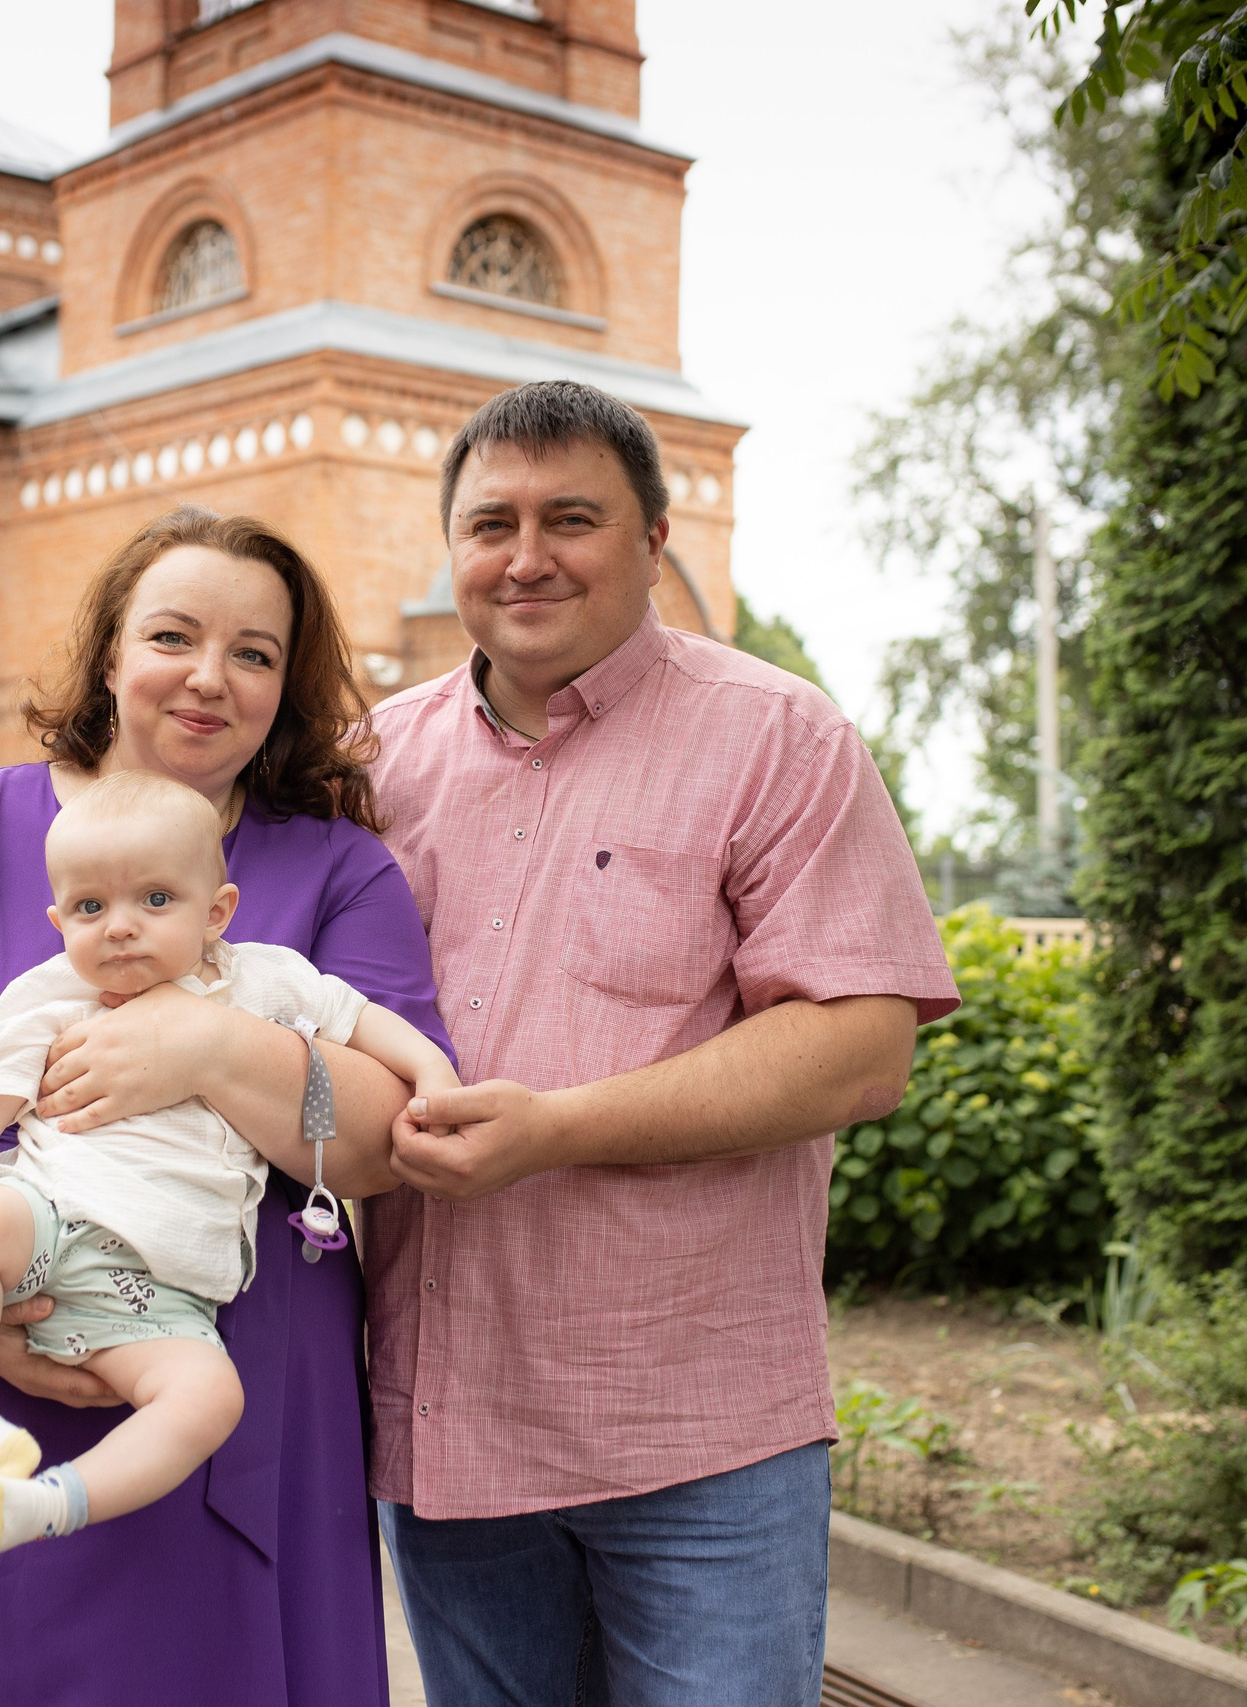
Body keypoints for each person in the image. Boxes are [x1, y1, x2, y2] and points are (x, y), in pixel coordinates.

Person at [0, 507, 448, 1706]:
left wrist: (208, 1047)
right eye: (171, 636)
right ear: (110, 654)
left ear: (286, 689)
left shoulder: (338, 870)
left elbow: (391, 1130)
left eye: (254, 652)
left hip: (222, 1384)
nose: (207, 677)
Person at [365, 380, 961, 1707]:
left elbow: (862, 1045)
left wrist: (558, 1129)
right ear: (449, 545)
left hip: (698, 1427)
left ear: (653, 536)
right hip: (449, 1418)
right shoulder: (373, 763)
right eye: (490, 523)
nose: (526, 557)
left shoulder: (777, 737)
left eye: (571, 517)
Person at [0, 769, 459, 1554]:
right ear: (59, 918)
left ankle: (50, 1501)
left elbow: (361, 1017)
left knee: (209, 1399)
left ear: (216, 912)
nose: (121, 926)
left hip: (161, 1291)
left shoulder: (262, 981)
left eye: (156, 900)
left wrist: (432, 1072)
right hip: (48, 1223)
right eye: (92, 907)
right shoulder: (50, 997)